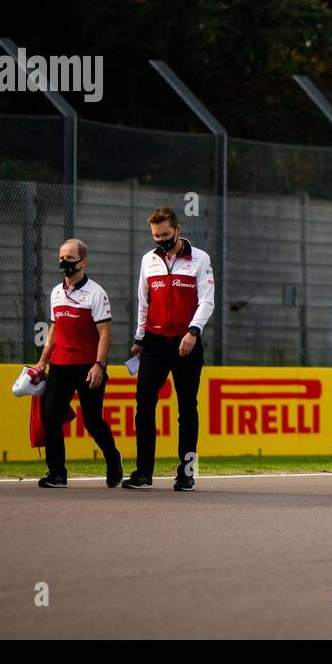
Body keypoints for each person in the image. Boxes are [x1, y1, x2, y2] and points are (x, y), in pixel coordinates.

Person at [123, 207, 214, 491]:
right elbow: (143, 301)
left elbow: (207, 301)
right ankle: (143, 472)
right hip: (154, 342)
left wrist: (193, 332)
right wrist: (139, 338)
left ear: (178, 229)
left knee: (187, 408)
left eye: (165, 234)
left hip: (187, 343)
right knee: (144, 404)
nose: (160, 240)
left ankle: (186, 473)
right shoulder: (148, 261)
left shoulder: (200, 259)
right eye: (155, 236)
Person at [33, 239, 121, 489]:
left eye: (70, 257)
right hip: (60, 365)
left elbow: (105, 332)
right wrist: (42, 362)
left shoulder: (96, 292)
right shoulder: (56, 292)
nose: (64, 262)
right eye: (61, 257)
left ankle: (113, 458)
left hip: (87, 366)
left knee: (92, 421)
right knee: (50, 417)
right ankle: (57, 473)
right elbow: (55, 328)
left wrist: (99, 365)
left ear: (84, 261)